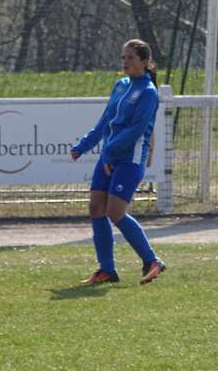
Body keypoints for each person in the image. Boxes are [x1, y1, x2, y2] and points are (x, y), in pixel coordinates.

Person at [70, 38, 166, 285]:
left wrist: (111, 153)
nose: (125, 62)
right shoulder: (121, 85)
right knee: (96, 208)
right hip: (109, 156)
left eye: (130, 57)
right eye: (123, 57)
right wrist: (84, 145)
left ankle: (152, 261)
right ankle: (107, 270)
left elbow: (136, 130)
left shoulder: (148, 92)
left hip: (129, 159)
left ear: (144, 62)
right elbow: (106, 121)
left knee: (115, 212)